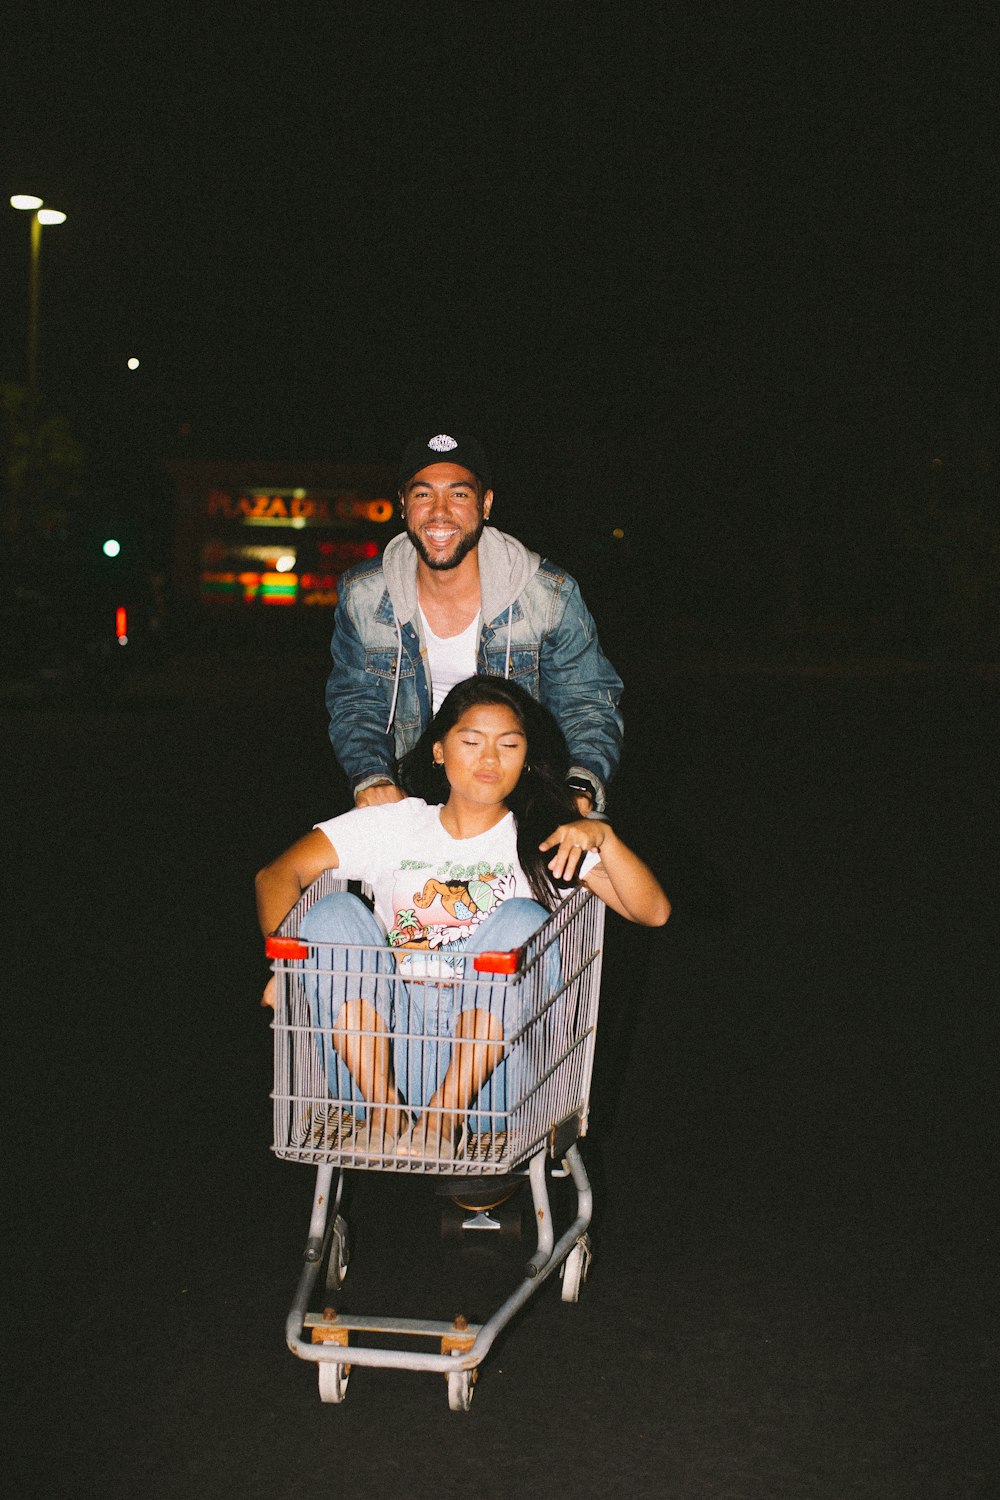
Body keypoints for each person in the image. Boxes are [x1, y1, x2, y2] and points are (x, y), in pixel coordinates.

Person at [257, 677, 669, 1162]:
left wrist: (603, 838)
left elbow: (653, 911)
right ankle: (387, 1116)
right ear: (438, 750)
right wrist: (283, 970)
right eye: (471, 742)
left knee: (520, 920)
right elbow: (278, 874)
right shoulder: (395, 825)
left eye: (509, 745)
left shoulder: (542, 837)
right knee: (332, 913)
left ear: (527, 758)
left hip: (493, 1080)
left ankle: (442, 1119)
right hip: (381, 1055)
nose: (489, 760)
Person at [326, 431, 623, 814]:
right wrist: (373, 778)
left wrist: (579, 786)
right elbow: (356, 702)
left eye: (459, 494)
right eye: (423, 494)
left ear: (486, 504)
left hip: (521, 795)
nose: (439, 511)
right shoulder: (362, 595)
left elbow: (587, 703)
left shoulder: (548, 596)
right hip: (407, 798)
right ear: (402, 504)